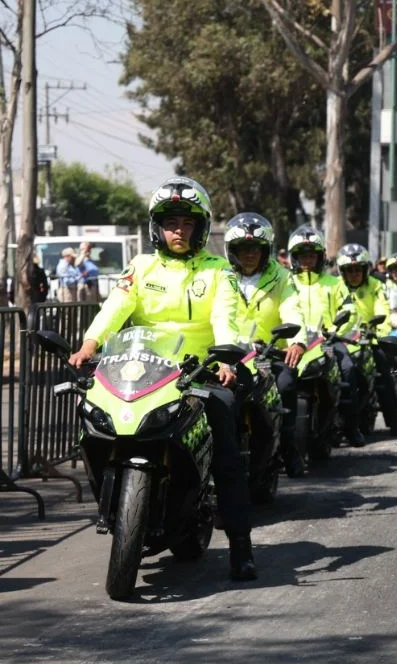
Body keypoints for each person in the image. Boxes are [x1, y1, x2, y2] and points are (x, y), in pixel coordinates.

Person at [68, 176, 257, 580]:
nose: (178, 230)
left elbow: (227, 316)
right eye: (170, 222)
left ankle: (241, 546)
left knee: (225, 438)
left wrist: (225, 358)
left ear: (200, 227)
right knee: (92, 413)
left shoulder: (219, 271)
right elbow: (115, 307)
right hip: (140, 370)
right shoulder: (140, 266)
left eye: (187, 223)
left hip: (200, 373)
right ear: (157, 226)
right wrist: (89, 343)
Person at [225, 212, 306, 477]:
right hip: (230, 353)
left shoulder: (283, 277)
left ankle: (289, 447)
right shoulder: (219, 274)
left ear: (266, 250)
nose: (250, 254)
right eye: (243, 248)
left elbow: (292, 309)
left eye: (256, 249)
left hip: (270, 351)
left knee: (287, 382)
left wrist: (296, 342)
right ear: (232, 250)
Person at [280, 225, 365, 447]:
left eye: (311, 255)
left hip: (328, 341)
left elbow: (351, 310)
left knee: (348, 368)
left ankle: (352, 426)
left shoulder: (334, 283)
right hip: (293, 343)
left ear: (320, 257)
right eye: (302, 255)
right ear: (294, 258)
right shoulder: (286, 283)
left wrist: (335, 332)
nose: (307, 260)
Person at [335, 243, 397, 436]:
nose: (354, 274)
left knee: (384, 376)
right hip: (343, 340)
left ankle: (394, 422)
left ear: (366, 270)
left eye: (358, 269)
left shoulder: (376, 286)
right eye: (350, 270)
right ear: (343, 272)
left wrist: (378, 331)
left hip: (370, 339)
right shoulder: (336, 287)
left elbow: (383, 310)